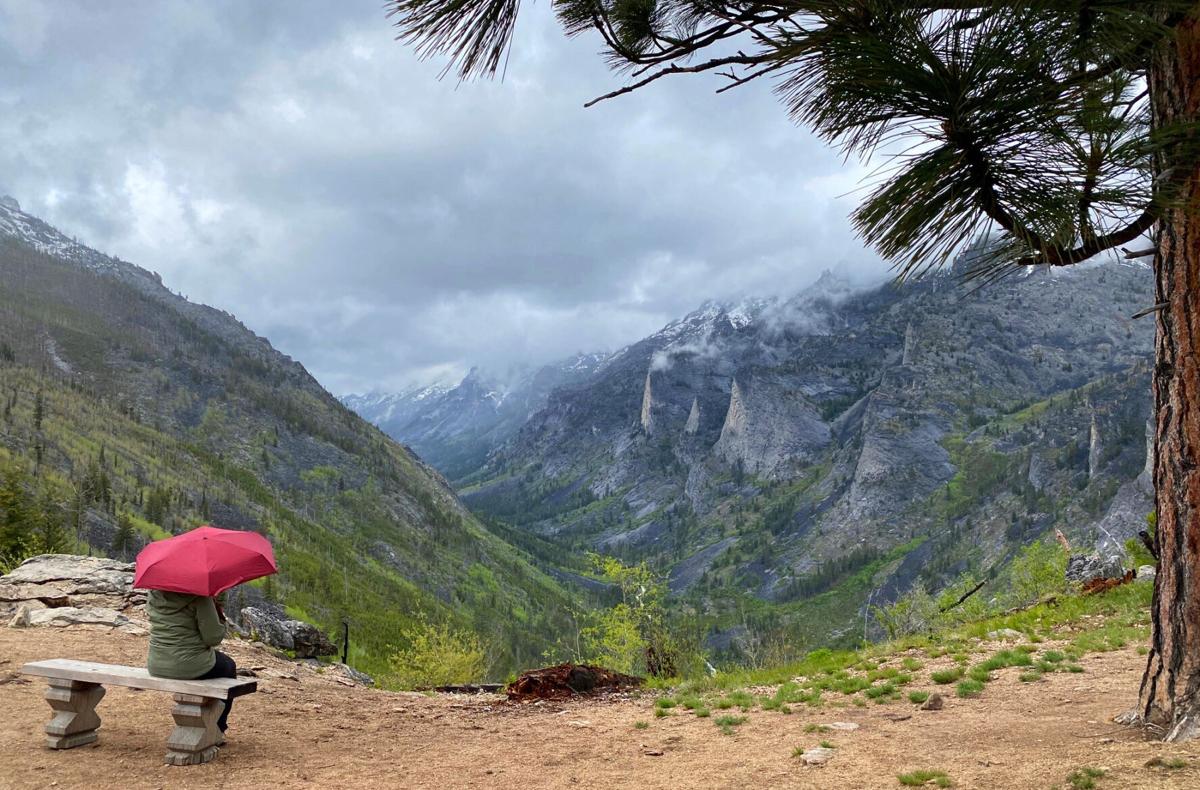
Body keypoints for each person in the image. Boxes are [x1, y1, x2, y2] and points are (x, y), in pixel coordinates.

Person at [146, 590, 237, 735]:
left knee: (218, 664)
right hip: (190, 665)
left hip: (156, 663)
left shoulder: (155, 593)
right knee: (229, 667)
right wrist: (220, 618)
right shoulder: (200, 597)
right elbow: (213, 638)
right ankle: (218, 728)